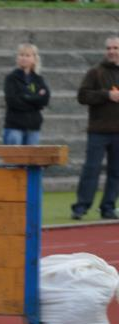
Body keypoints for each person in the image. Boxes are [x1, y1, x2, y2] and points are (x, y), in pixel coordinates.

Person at [71, 35, 119, 221]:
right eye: (109, 48)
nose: (112, 51)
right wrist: (107, 95)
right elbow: (83, 96)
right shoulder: (95, 72)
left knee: (116, 172)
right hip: (98, 131)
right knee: (91, 169)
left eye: (115, 48)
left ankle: (108, 207)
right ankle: (81, 207)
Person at [3, 43, 50, 146]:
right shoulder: (11, 78)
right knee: (15, 160)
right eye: (21, 55)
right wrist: (35, 100)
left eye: (27, 55)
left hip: (33, 127)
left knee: (32, 160)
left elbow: (45, 99)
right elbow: (12, 101)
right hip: (14, 126)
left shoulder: (38, 79)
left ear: (34, 59)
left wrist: (25, 97)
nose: (24, 58)